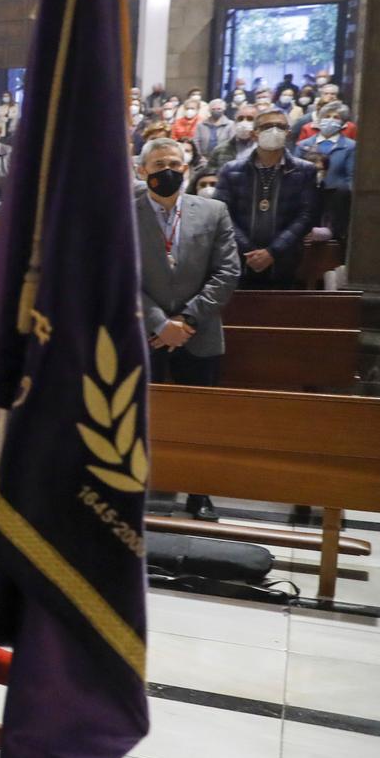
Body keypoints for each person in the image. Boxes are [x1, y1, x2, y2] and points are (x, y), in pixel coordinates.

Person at [137, 139, 240, 520]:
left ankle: (199, 492)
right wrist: (160, 323)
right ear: (142, 170)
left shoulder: (214, 212)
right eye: (159, 163)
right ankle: (136, 486)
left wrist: (188, 321)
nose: (168, 170)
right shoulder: (123, 214)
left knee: (199, 418)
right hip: (144, 333)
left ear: (187, 168)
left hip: (200, 333)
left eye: (175, 163)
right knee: (138, 413)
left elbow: (227, 272)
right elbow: (117, 275)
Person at [215, 111, 318, 288]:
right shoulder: (231, 170)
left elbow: (307, 215)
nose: (274, 130)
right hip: (239, 259)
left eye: (281, 126)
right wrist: (249, 250)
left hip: (285, 259)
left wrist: (272, 252)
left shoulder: (305, 170)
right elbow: (221, 213)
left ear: (288, 132)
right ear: (254, 133)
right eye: (267, 126)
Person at [304, 110, 355, 251]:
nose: (330, 120)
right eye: (326, 116)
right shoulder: (303, 145)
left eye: (335, 117)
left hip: (336, 197)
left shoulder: (351, 146)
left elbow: (351, 176)